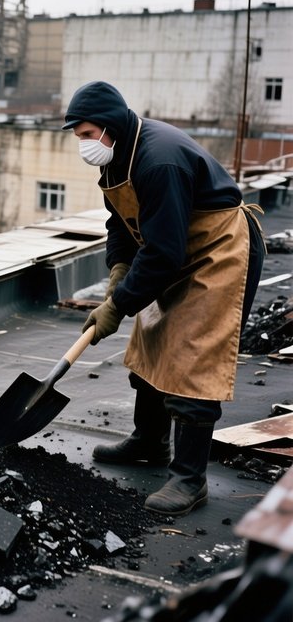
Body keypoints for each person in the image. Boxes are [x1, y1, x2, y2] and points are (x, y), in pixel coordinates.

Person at [63, 80, 265, 517]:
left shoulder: (159, 161)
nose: (82, 144)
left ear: (108, 126)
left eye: (84, 134)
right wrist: (118, 273)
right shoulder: (117, 158)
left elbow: (163, 253)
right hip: (176, 247)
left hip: (219, 250)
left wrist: (117, 305)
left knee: (193, 353)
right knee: (152, 337)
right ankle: (149, 441)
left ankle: (190, 480)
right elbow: (120, 223)